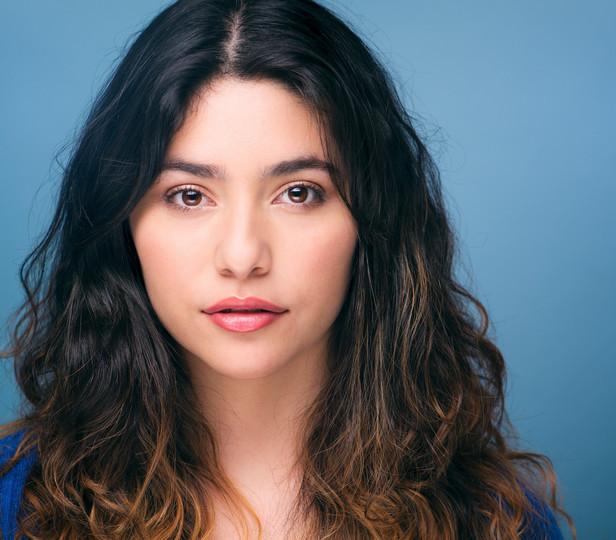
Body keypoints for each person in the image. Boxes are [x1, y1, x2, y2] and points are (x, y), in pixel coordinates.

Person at [0, 0, 576, 538]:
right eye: (189, 196)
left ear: (372, 222)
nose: (243, 256)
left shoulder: (497, 523)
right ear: (122, 220)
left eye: (298, 192)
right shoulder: (14, 504)